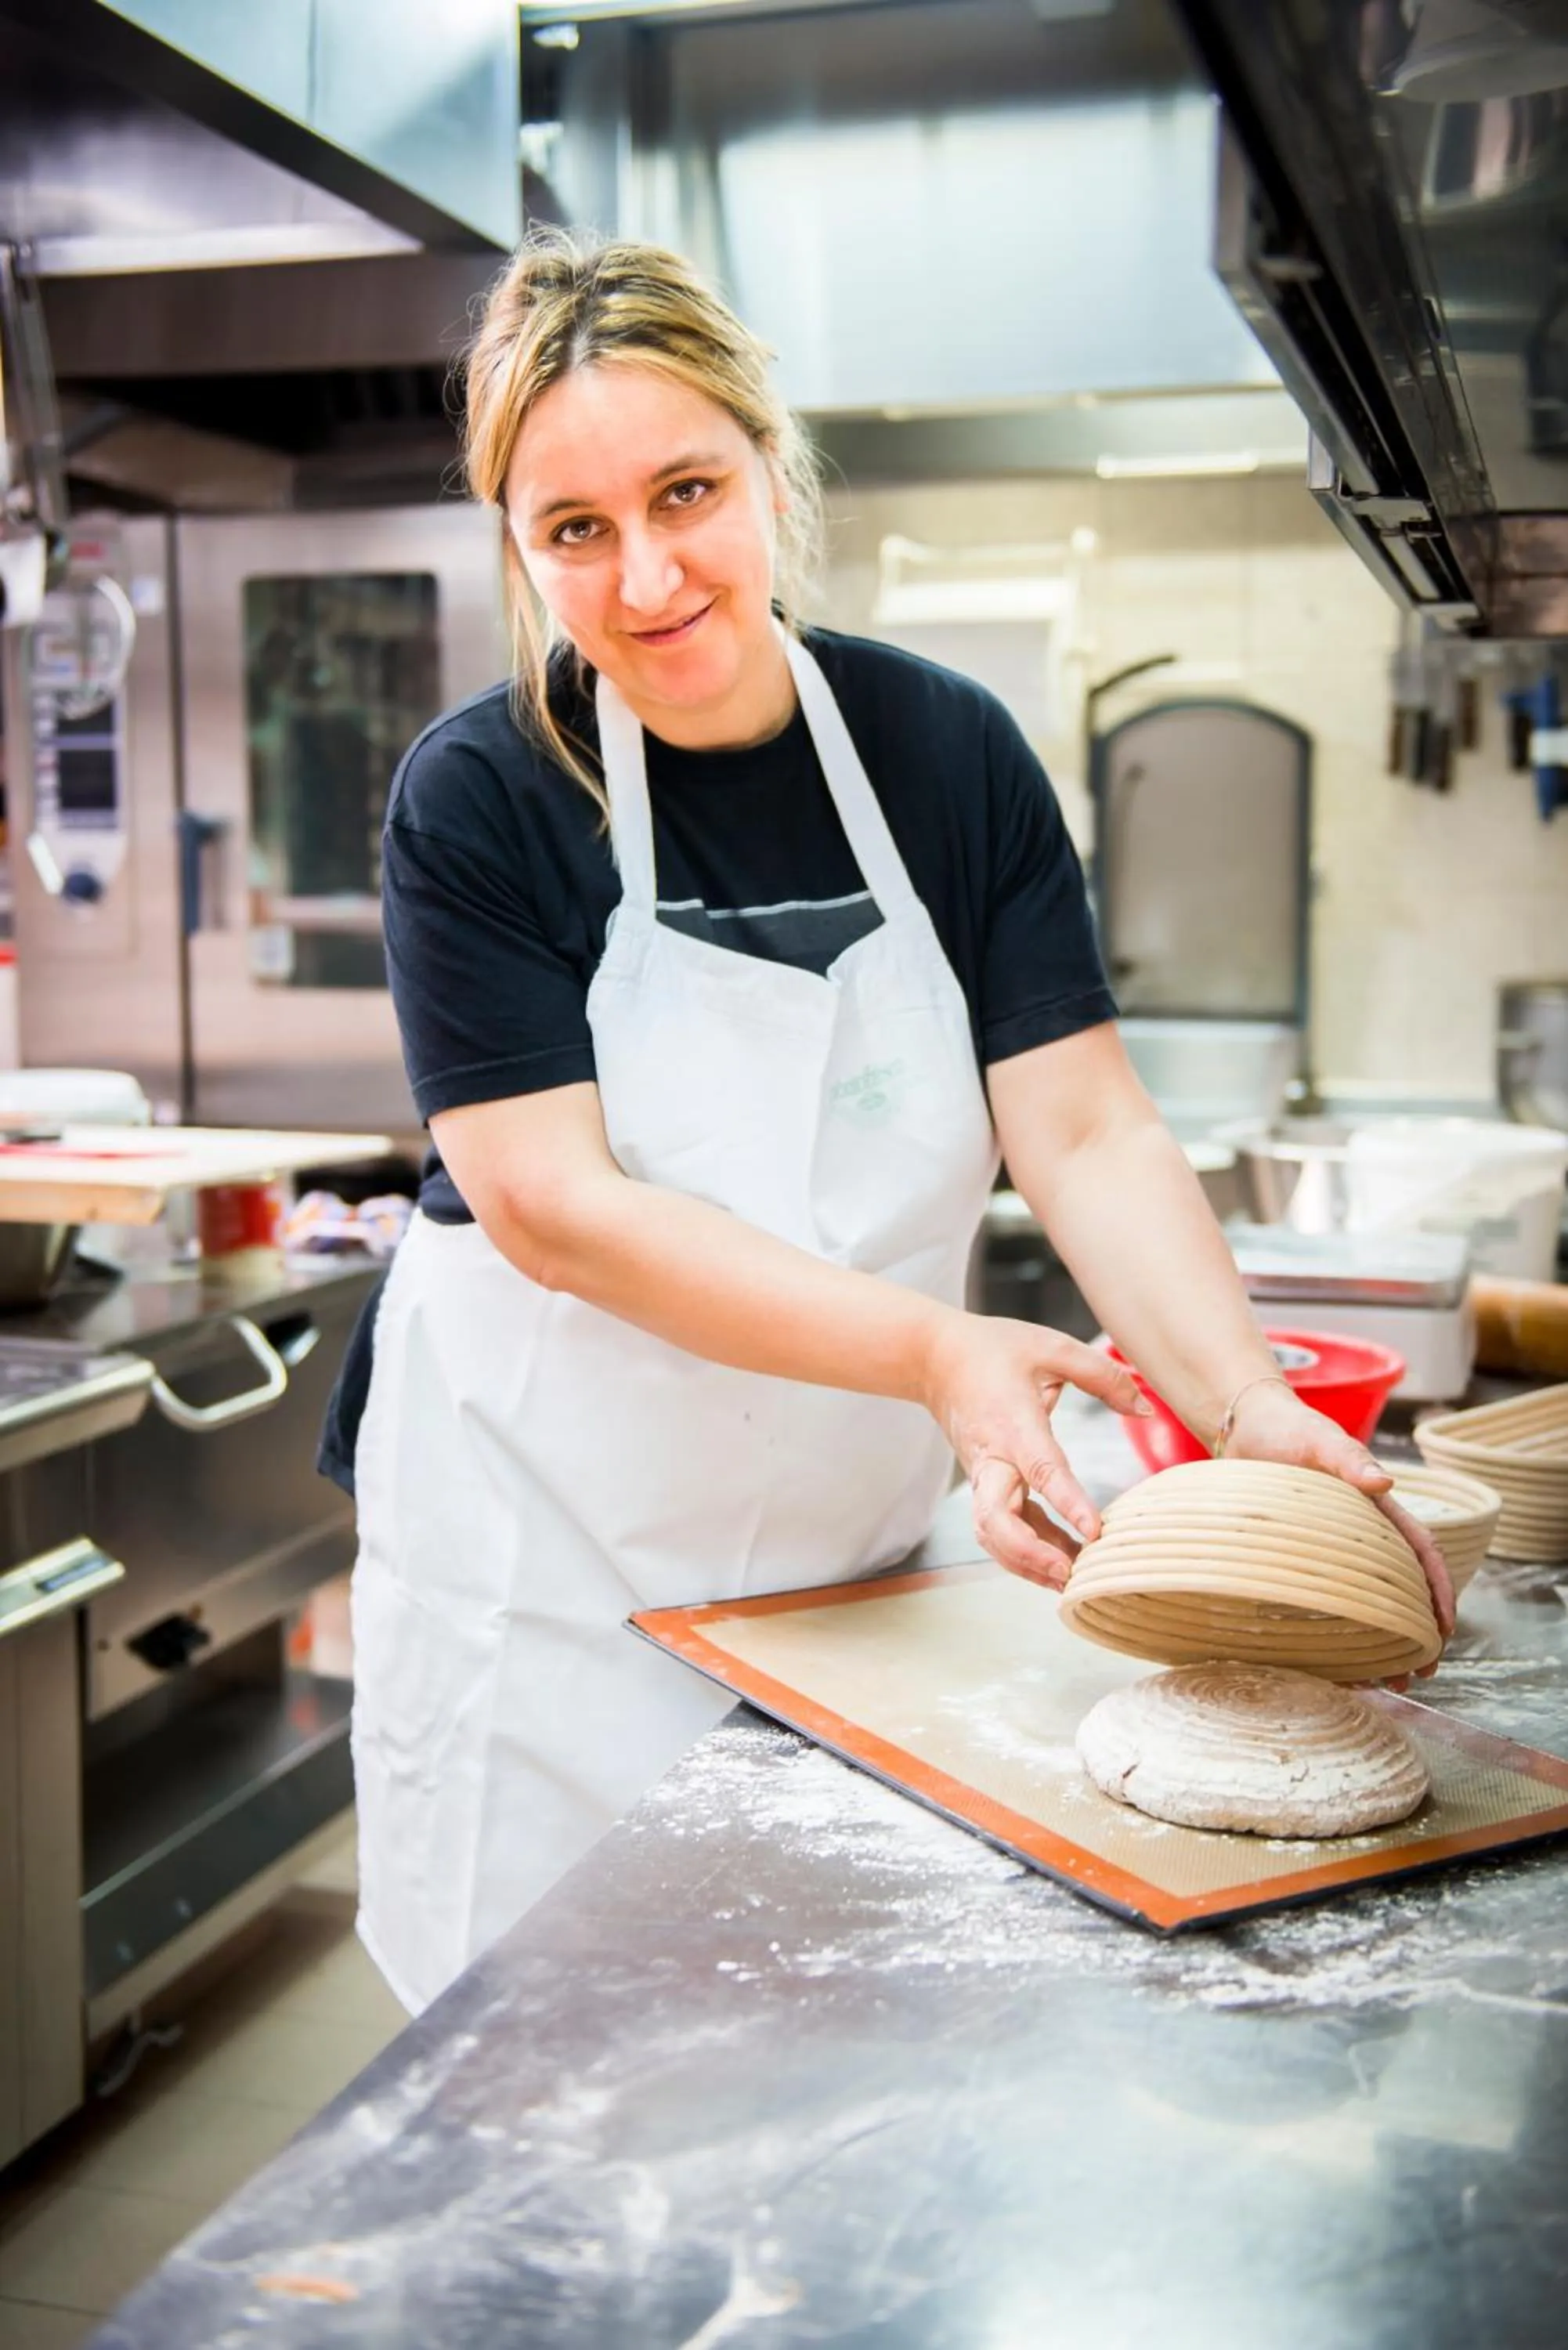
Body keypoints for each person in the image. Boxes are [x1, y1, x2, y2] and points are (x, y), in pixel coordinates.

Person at [326, 230, 1451, 2016]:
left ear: (772, 468)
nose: (646, 576)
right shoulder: (483, 795)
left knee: (824, 2031)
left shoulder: (942, 754)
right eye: (574, 531)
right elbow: (548, 1206)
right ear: (523, 549)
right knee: (549, 2064)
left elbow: (1080, 1131)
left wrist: (1242, 1407)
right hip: (540, 1587)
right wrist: (937, 1355)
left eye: (686, 491)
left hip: (851, 1570)